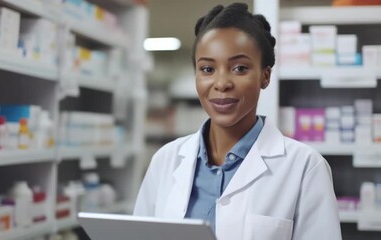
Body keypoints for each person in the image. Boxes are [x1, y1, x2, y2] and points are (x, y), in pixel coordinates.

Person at [134, 2, 342, 240]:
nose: (221, 83)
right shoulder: (166, 160)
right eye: (207, 69)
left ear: (265, 76)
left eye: (240, 68)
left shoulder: (304, 166)